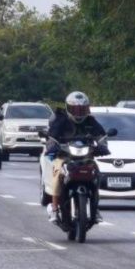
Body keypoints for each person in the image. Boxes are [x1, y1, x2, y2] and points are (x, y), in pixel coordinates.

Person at [42, 92, 108, 223]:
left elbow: (101, 134)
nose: (79, 113)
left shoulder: (90, 121)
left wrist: (102, 146)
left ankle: (95, 207)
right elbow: (52, 135)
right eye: (75, 110)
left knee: (96, 174)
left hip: (86, 155)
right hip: (64, 155)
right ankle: (54, 208)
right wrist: (52, 146)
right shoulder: (61, 120)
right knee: (57, 174)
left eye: (82, 110)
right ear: (68, 108)